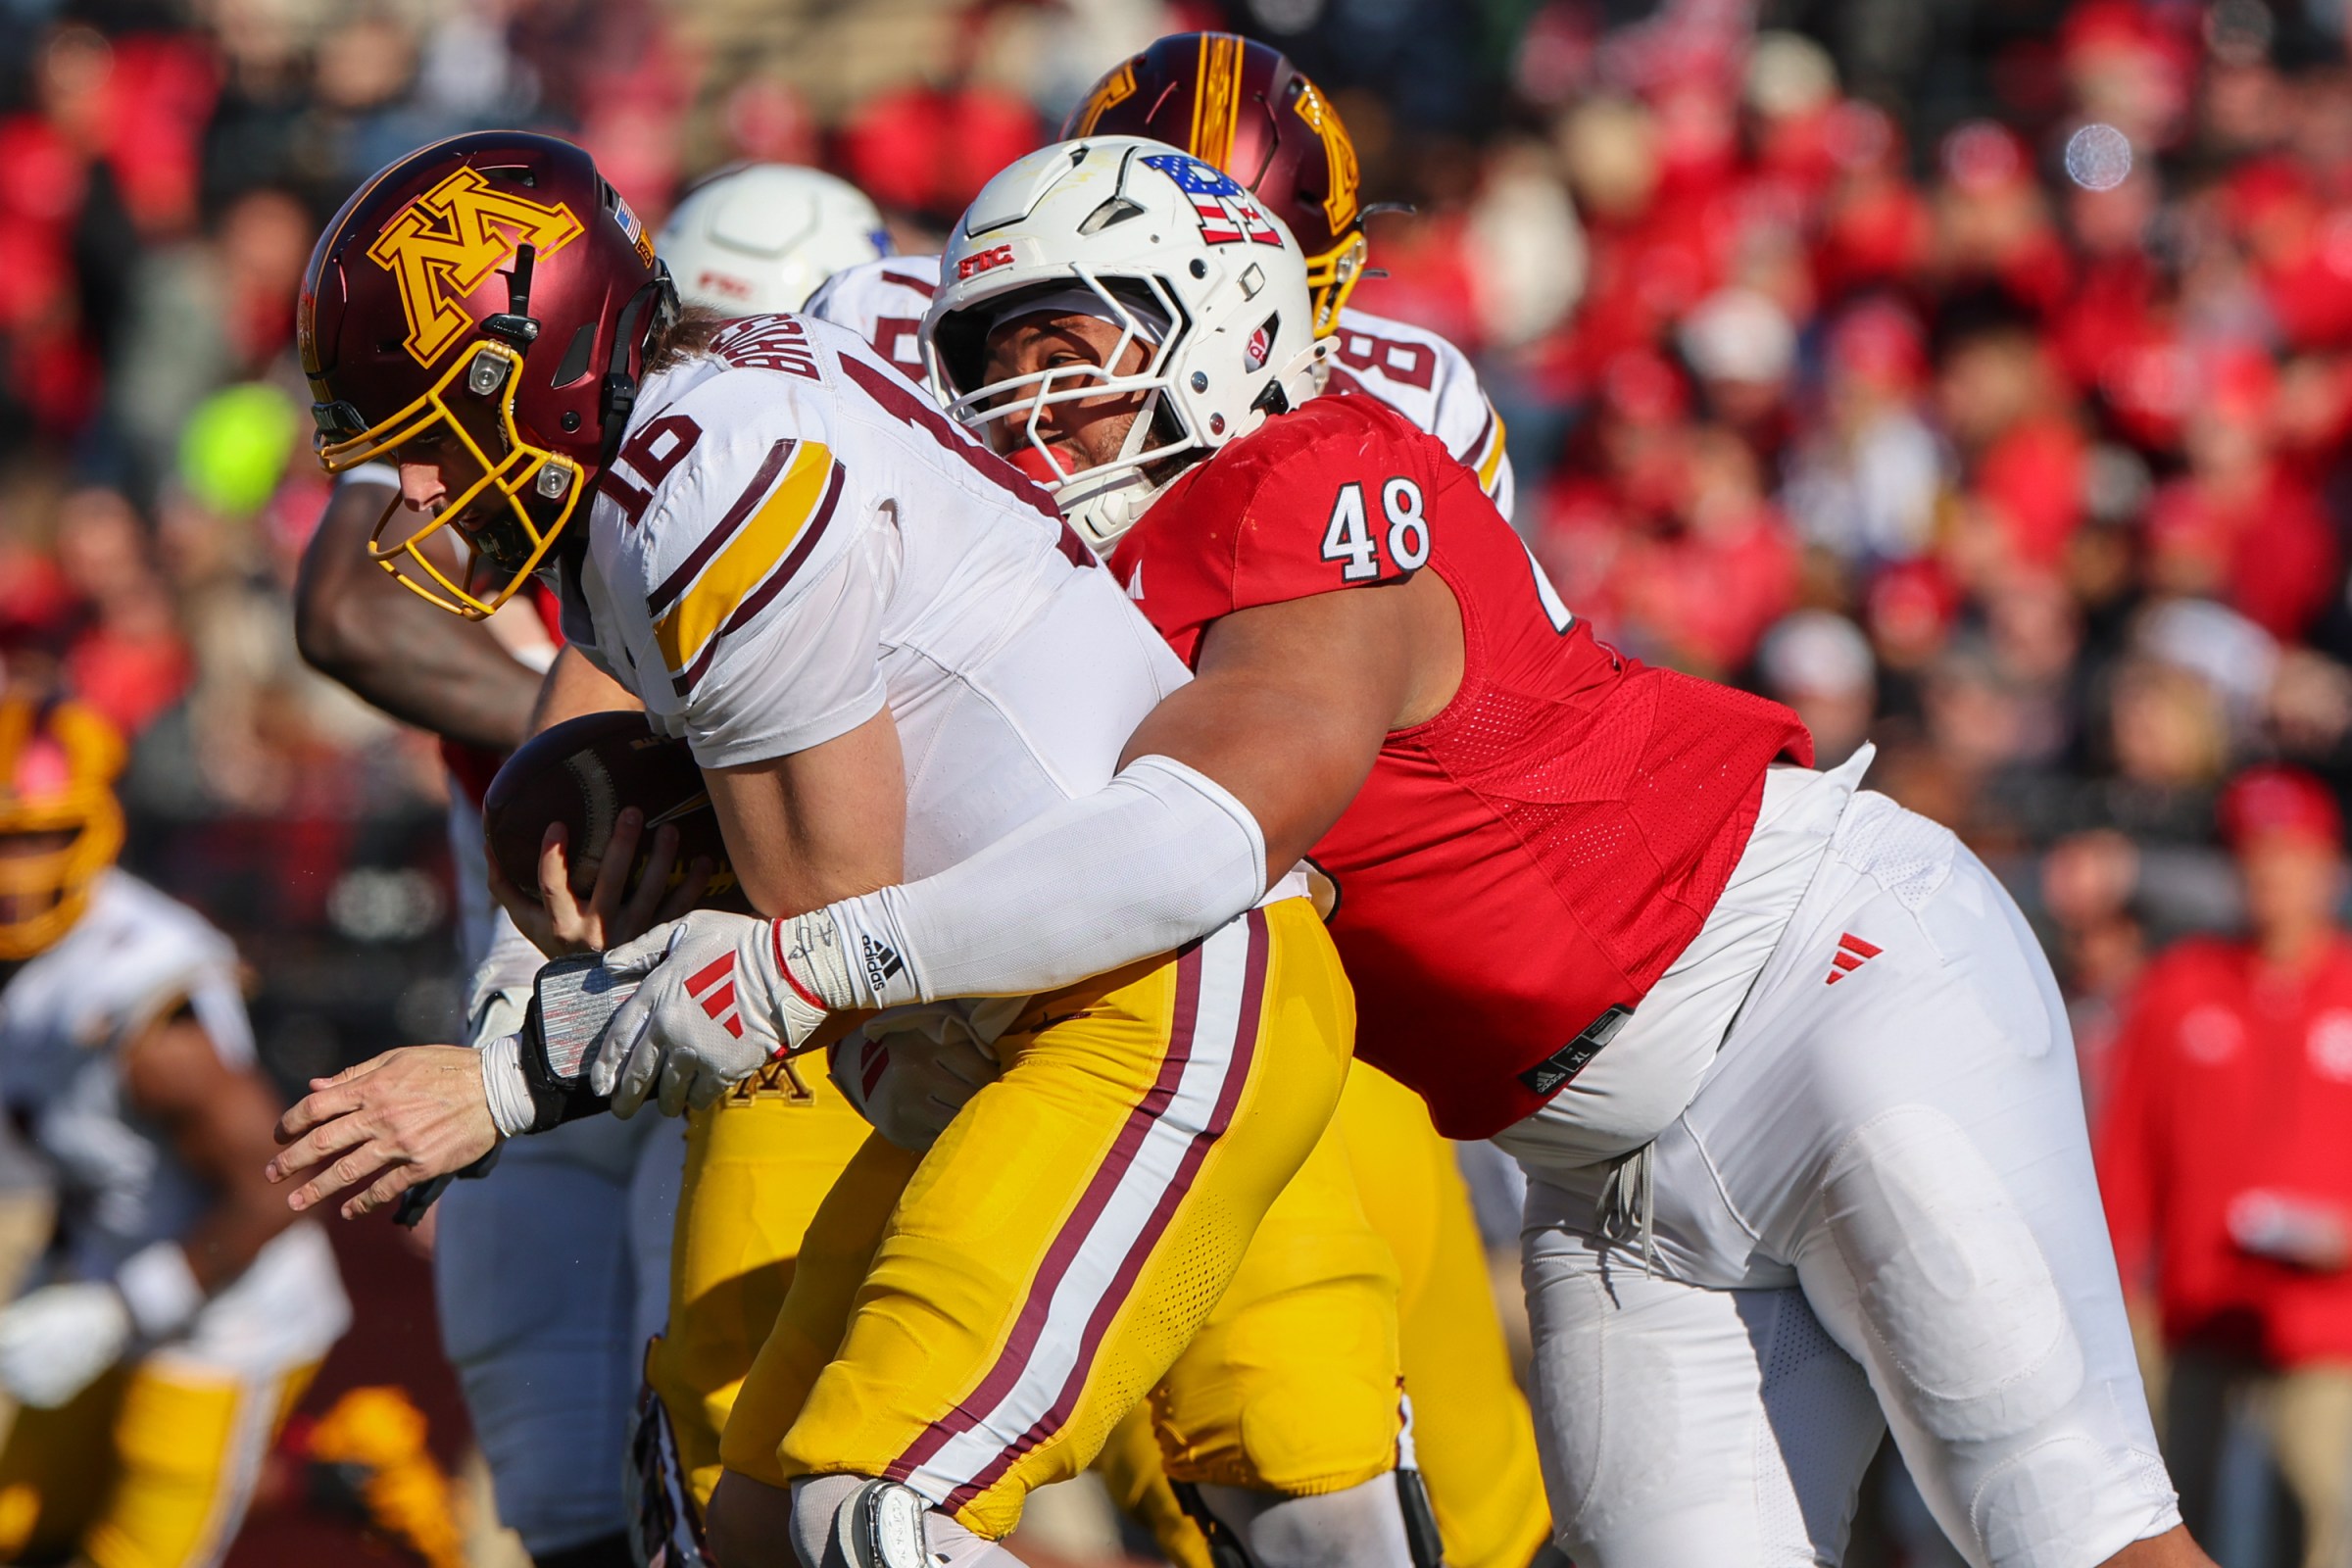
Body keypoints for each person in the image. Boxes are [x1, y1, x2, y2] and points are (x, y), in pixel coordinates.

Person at [600, 133, 2206, 1566]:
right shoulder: (1057, 607)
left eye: (1071, 346)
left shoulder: (1307, 472)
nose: (1034, 404)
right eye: (992, 360)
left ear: (1218, 326)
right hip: (1606, 1178)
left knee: (2062, 1519)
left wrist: (817, 955)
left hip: (1817, 989)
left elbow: (1202, 837)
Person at [271, 131, 1414, 1568]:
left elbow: (826, 924)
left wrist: (508, 1077)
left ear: (531, 364)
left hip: (1147, 999)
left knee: (878, 1518)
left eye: (432, 432)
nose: (424, 493)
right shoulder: (672, 447)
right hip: (1011, 1018)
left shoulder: (707, 475)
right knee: (751, 1530)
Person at [803, 45, 1553, 1561]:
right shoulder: (919, 345)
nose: (1043, 397)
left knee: (1337, 1454)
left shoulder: (1396, 412)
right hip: (989, 961)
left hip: (1285, 959)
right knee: (789, 1451)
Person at [0, 690, 351, 1567]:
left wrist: (120, 1310)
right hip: (98, 1271)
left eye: (40, 836)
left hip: (222, 1313)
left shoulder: (149, 1011)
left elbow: (287, 1185)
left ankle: (344, 1469)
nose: (14, 871)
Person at [2098, 764, 2352, 1567]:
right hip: (2195, 1317)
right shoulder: (2180, 986)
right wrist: (2113, 1296)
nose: (2269, 872)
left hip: (2329, 1328)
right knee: (2179, 1524)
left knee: (2319, 1521)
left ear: (2326, 861)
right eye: (2252, 854)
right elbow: (2125, 1154)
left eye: (2288, 852)